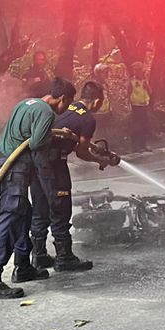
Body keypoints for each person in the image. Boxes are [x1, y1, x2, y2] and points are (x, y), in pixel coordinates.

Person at [0, 78, 73, 300]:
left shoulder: (26, 103)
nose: (65, 109)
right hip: (15, 170)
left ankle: (23, 268)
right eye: (67, 104)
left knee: (24, 214)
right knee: (11, 218)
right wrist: (52, 191)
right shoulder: (46, 112)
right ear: (62, 98)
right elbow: (37, 144)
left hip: (0, 165)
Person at [29, 79, 120, 273]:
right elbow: (82, 152)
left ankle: (38, 256)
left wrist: (100, 153)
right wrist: (100, 161)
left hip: (37, 163)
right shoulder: (88, 119)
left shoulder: (66, 108)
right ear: (96, 101)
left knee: (40, 208)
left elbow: (79, 142)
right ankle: (64, 258)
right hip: (54, 166)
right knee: (60, 209)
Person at [128, 63, 152, 153]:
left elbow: (150, 92)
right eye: (136, 70)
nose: (137, 71)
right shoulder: (132, 81)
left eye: (139, 70)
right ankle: (135, 146)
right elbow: (128, 93)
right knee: (136, 127)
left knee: (144, 126)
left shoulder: (144, 81)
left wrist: (147, 87)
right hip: (135, 106)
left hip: (144, 105)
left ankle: (143, 145)